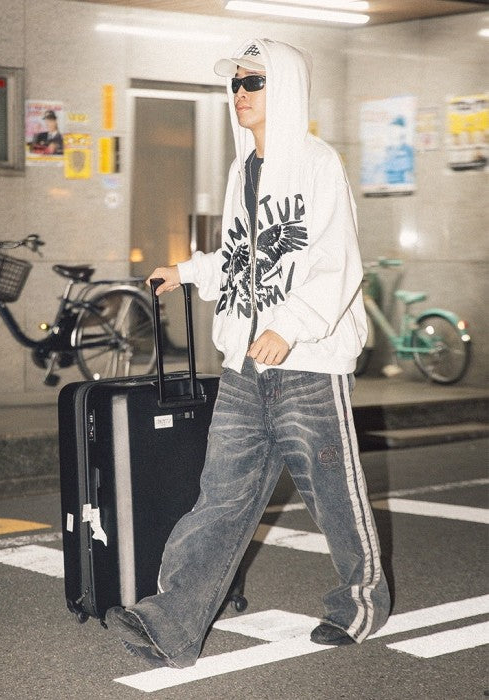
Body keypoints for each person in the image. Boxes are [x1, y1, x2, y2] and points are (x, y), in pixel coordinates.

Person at [105, 38, 390, 669]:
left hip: (309, 364)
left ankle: (361, 603)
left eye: (253, 81)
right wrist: (186, 271)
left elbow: (337, 262)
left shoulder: (318, 163)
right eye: (235, 83)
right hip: (245, 365)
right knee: (220, 498)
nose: (240, 93)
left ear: (284, 87)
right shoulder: (243, 170)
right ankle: (170, 624)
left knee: (334, 496)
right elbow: (240, 258)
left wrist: (290, 326)